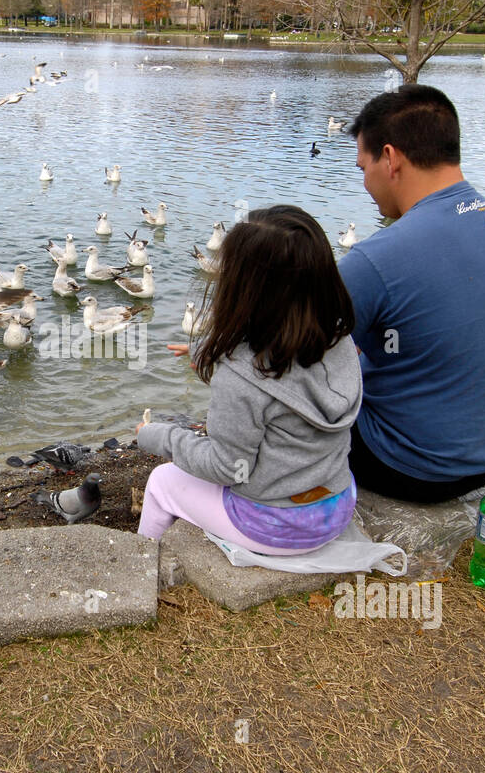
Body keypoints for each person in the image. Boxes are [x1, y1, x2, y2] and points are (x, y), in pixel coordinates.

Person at [339, 84, 485, 503]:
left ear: (391, 158)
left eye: (363, 167)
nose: (364, 182)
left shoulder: (378, 256)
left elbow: (293, 353)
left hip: (408, 467)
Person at [135, 205, 361, 553]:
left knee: (162, 482)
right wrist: (207, 355)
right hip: (336, 504)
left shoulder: (238, 379)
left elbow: (226, 468)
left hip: (277, 525)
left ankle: (142, 561)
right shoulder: (337, 341)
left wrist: (160, 436)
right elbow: (283, 380)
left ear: (241, 289)